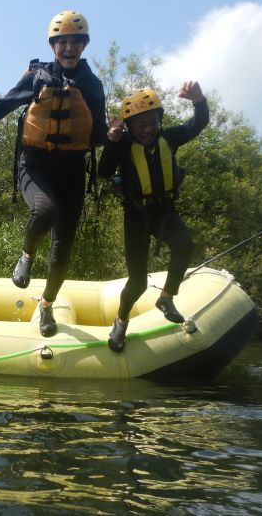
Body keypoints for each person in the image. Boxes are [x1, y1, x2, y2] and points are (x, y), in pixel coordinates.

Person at [0, 10, 106, 338]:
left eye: (75, 42)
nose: (69, 48)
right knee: (44, 210)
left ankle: (45, 306)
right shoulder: (37, 76)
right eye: (62, 42)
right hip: (36, 163)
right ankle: (26, 256)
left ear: (83, 46)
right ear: (54, 46)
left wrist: (113, 134)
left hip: (72, 170)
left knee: (62, 251)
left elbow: (97, 136)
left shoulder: (92, 85)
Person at [99, 82, 209, 352]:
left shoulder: (169, 138)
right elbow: (103, 171)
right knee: (137, 282)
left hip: (164, 211)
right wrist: (112, 141)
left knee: (184, 244)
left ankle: (167, 297)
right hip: (136, 216)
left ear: (159, 120)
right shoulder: (123, 145)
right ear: (130, 127)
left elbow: (198, 123)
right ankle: (121, 321)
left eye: (152, 123)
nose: (147, 130)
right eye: (140, 126)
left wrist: (199, 100)